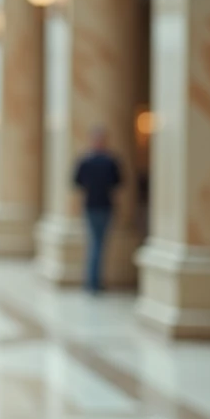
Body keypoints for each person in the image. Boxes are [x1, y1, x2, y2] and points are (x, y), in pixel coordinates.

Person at [73, 126, 123, 294]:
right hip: (102, 205)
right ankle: (94, 282)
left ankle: (92, 281)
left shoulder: (86, 160)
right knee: (98, 244)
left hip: (93, 205)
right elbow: (118, 182)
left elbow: (76, 182)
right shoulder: (109, 161)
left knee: (95, 243)